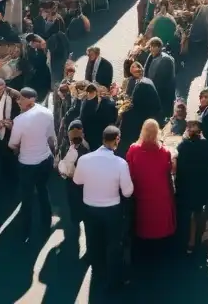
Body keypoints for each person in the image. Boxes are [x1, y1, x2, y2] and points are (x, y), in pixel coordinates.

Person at [74, 125, 134, 292]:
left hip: (90, 209)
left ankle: (97, 274)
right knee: (113, 244)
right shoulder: (120, 163)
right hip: (111, 210)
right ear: (117, 140)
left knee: (94, 242)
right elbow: (128, 192)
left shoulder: (85, 160)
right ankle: (113, 281)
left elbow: (77, 181)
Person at [8, 87, 57, 240]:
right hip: (45, 159)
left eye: (21, 99)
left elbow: (12, 144)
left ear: (30, 100)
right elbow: (51, 137)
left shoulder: (19, 121)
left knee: (27, 197)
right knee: (43, 190)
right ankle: (46, 222)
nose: (18, 101)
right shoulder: (47, 113)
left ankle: (25, 230)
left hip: (27, 164)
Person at [126, 119, 176, 254]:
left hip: (141, 194)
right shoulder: (165, 152)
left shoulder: (133, 150)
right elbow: (169, 170)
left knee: (143, 225)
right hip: (160, 196)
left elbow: (129, 171)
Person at [173, 117, 208, 253]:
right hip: (202, 183)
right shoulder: (206, 145)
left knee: (185, 212)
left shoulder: (183, 146)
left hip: (186, 184)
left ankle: (187, 241)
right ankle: (198, 239)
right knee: (198, 211)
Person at [57, 120, 90, 252]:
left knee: (73, 205)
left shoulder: (68, 148)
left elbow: (62, 168)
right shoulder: (86, 146)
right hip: (84, 183)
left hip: (72, 182)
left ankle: (75, 223)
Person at [142, 37, 177, 121]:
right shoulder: (151, 56)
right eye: (151, 46)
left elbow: (163, 81)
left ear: (160, 47)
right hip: (152, 90)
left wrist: (152, 90)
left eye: (155, 46)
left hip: (161, 93)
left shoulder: (165, 60)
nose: (152, 49)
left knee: (159, 115)